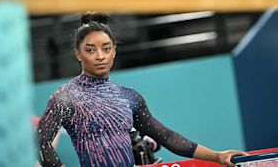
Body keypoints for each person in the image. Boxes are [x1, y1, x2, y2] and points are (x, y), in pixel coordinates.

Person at [36, 12, 247, 167]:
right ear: (78, 54)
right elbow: (41, 142)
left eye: (106, 49)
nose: (100, 56)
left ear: (114, 52)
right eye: (90, 50)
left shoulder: (129, 97)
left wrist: (218, 156)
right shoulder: (66, 96)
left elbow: (167, 137)